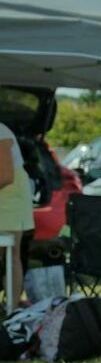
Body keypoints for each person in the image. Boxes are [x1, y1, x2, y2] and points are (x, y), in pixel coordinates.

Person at [0, 121, 34, 305]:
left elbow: (5, 175)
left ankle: (11, 307)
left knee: (11, 253)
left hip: (11, 195)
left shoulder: (1, 131)